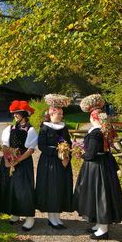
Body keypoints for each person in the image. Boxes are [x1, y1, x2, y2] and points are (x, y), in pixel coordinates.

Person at [74, 94, 122, 240]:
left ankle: (103, 230)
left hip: (97, 167)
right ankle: (99, 225)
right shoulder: (102, 130)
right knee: (97, 195)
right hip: (102, 165)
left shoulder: (96, 132)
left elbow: (91, 154)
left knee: (100, 196)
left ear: (93, 117)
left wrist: (80, 155)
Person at [0, 100, 38, 231]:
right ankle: (15, 213)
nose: (15, 116)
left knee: (23, 188)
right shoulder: (9, 128)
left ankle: (29, 217)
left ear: (24, 114)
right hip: (9, 161)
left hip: (23, 162)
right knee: (11, 187)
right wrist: (8, 160)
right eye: (13, 114)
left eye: (17, 113)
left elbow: (31, 149)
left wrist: (18, 160)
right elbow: (5, 145)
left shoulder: (31, 130)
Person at [35, 94, 73, 229]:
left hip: (63, 163)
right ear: (52, 113)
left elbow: (69, 143)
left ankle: (57, 216)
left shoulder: (64, 127)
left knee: (61, 188)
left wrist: (67, 157)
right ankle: (52, 218)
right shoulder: (45, 128)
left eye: (62, 113)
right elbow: (41, 146)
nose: (61, 116)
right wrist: (57, 152)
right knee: (51, 189)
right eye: (59, 113)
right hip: (49, 163)